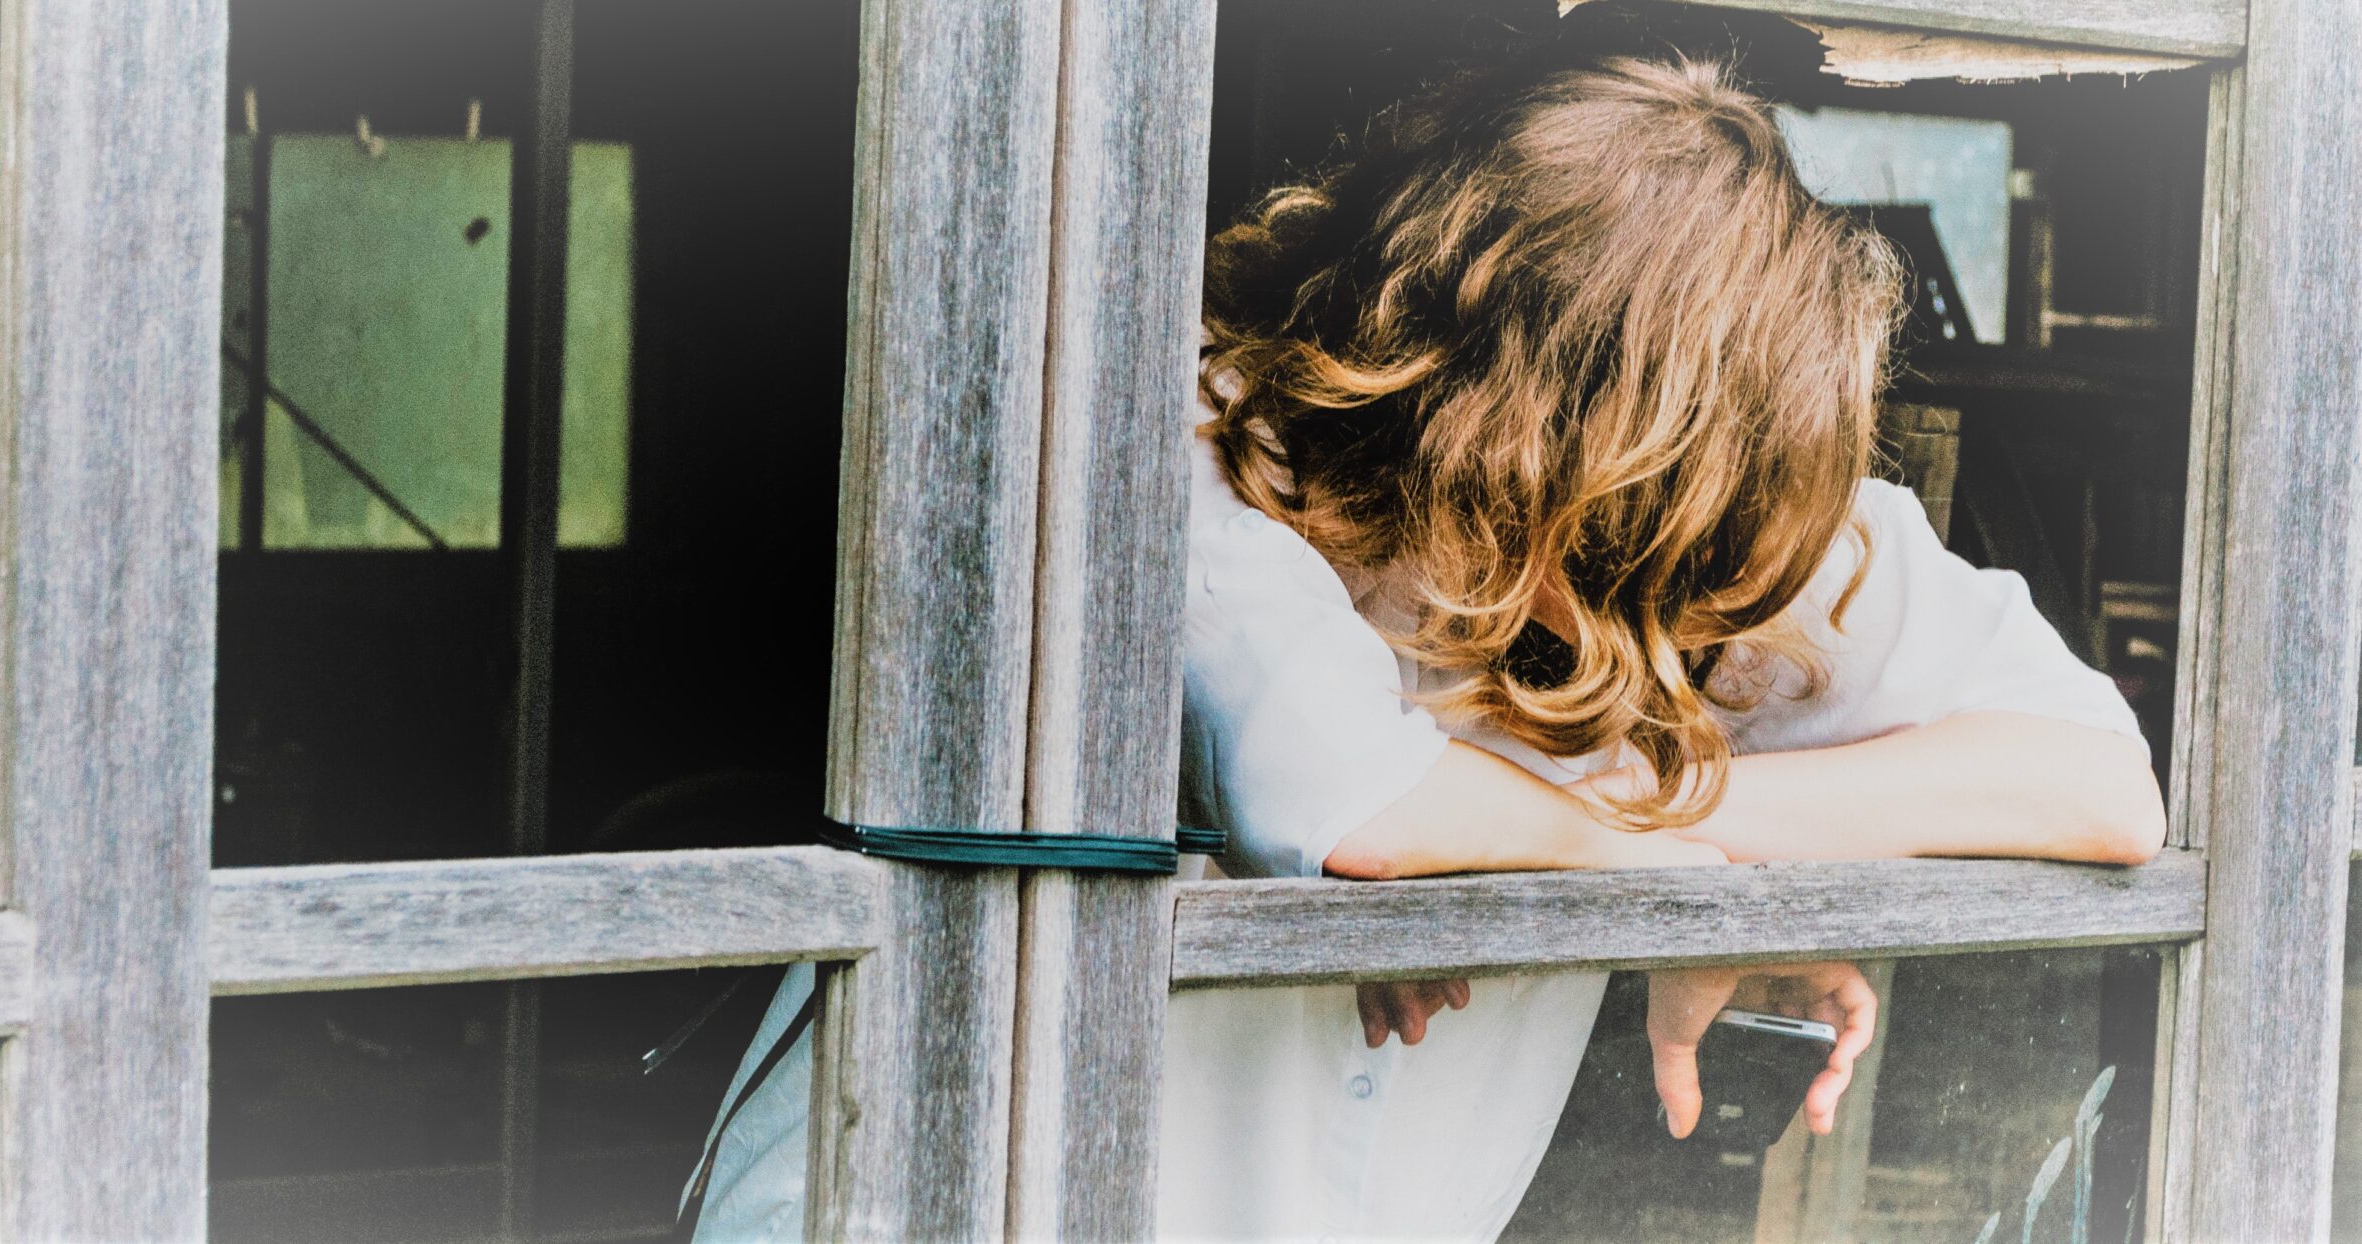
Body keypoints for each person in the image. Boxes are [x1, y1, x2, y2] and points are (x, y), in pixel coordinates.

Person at [686, 53, 2166, 1243]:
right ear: (1536, 415)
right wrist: (1686, 887)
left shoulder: (1740, 499)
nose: (1672, 576)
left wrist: (1675, 854)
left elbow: (2103, 783)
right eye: (1635, 509)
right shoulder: (1196, 424)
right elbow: (1355, 819)